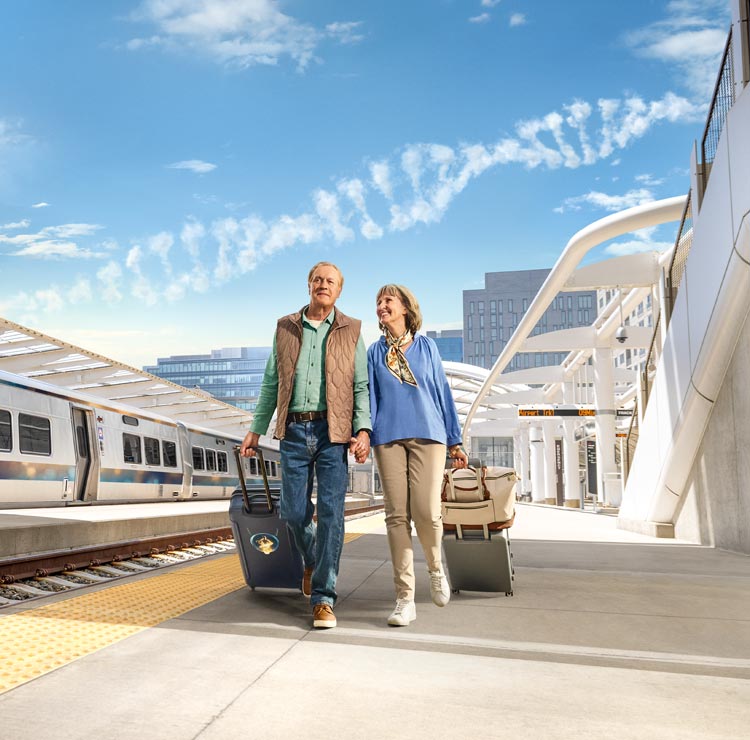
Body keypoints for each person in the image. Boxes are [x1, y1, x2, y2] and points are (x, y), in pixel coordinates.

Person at [240, 262, 371, 630]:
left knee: (331, 515)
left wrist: (363, 430)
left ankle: (324, 598)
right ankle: (313, 558)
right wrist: (255, 429)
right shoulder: (285, 328)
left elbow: (360, 386)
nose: (323, 285)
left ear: (339, 291)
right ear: (308, 285)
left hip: (334, 434)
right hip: (294, 431)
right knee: (293, 511)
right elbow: (271, 382)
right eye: (317, 279)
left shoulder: (352, 330)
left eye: (330, 281)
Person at [367, 284, 468, 627]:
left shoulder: (427, 347)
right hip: (388, 437)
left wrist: (455, 440)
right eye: (379, 302)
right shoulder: (373, 352)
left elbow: (441, 391)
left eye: (388, 301)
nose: (382, 306)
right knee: (396, 517)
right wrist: (367, 434)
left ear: (405, 309)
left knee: (426, 512)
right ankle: (404, 598)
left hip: (430, 434)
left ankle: (436, 568)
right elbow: (370, 396)